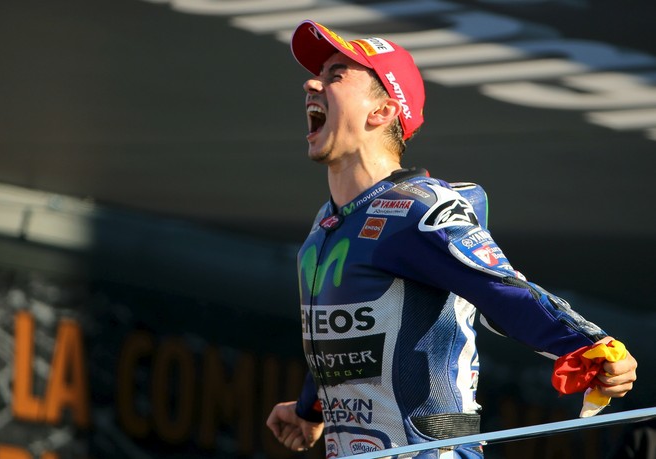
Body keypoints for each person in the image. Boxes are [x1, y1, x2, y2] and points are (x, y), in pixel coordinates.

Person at [266, 20, 638, 458]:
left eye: (335, 75)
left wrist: (590, 344)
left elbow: (501, 289)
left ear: (381, 111)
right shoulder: (326, 223)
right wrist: (310, 409)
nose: (311, 83)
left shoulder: (415, 210)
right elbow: (342, 344)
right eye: (318, 73)